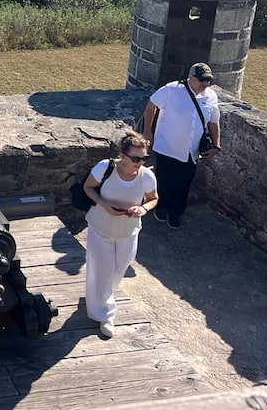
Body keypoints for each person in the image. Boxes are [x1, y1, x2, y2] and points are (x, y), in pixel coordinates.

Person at [84, 129, 158, 338]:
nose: (140, 162)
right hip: (101, 227)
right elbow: (88, 187)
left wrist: (143, 209)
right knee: (103, 269)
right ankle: (104, 314)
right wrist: (103, 204)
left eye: (144, 158)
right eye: (136, 158)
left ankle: (101, 296)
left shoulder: (147, 176)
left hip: (128, 230)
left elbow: (153, 198)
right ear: (123, 156)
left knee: (119, 268)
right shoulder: (105, 168)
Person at [141, 62, 221, 229]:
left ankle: (176, 212)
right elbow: (151, 105)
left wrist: (216, 145)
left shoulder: (211, 96)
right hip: (167, 146)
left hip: (191, 151)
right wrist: (148, 131)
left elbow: (214, 121)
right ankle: (161, 207)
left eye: (207, 80)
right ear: (190, 78)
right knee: (164, 180)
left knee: (184, 184)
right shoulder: (171, 90)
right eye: (201, 80)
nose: (204, 84)